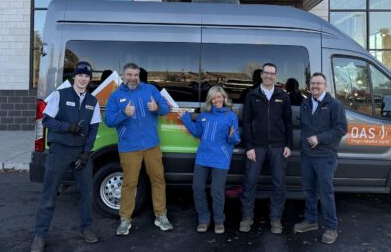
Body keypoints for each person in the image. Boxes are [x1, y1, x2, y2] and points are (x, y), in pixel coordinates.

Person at [31, 61, 102, 252]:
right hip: (60, 151)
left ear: (89, 79)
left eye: (86, 76)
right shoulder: (60, 95)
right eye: (80, 75)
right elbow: (46, 120)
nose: (83, 79)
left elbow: (94, 129)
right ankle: (40, 235)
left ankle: (86, 229)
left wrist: (87, 152)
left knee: (86, 192)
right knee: (49, 192)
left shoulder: (92, 102)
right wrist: (67, 127)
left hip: (80, 152)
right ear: (74, 77)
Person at [104, 62, 172, 235]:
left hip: (151, 145)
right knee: (129, 183)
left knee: (158, 180)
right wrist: (123, 114)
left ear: (139, 75)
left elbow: (165, 108)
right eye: (129, 74)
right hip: (129, 147)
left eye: (135, 75)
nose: (132, 78)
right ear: (123, 75)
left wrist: (158, 108)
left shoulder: (150, 90)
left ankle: (161, 216)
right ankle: (125, 220)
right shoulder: (116, 96)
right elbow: (109, 121)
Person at [239, 63, 293, 234]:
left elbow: (288, 122)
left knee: (279, 184)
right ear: (261, 75)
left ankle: (276, 218)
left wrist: (288, 145)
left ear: (275, 76)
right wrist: (249, 146)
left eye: (272, 73)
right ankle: (247, 217)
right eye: (266, 73)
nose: (269, 76)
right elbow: (246, 122)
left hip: (278, 147)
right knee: (250, 182)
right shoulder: (252, 95)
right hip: (257, 147)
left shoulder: (283, 95)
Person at [178, 86, 240, 234]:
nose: (217, 100)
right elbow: (197, 132)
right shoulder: (205, 115)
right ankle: (204, 219)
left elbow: (235, 140)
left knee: (216, 191)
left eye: (220, 97)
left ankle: (219, 221)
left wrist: (232, 136)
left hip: (220, 158)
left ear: (224, 98)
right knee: (198, 188)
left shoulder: (231, 116)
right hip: (203, 157)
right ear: (210, 100)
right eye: (214, 97)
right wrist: (185, 118)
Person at [294, 73, 347, 245]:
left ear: (325, 85)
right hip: (307, 156)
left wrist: (320, 139)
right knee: (309, 191)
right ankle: (310, 221)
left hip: (325, 156)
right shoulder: (305, 102)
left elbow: (341, 129)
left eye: (319, 83)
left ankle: (331, 227)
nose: (315, 86)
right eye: (313, 83)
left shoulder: (335, 105)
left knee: (325, 193)